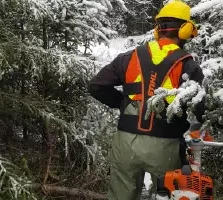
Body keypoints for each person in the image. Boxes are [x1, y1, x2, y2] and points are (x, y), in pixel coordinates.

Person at [88, 0, 211, 199]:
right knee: (170, 194)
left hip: (126, 145)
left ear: (157, 29)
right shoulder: (188, 65)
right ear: (186, 30)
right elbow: (200, 105)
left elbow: (96, 86)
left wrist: (123, 104)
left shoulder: (128, 57)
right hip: (165, 146)